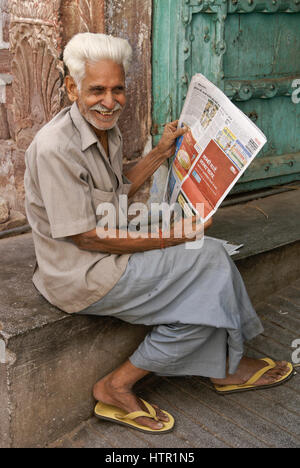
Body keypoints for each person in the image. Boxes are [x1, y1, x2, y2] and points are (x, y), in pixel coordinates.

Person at [24, 33, 294, 434]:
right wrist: (177, 237)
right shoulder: (54, 149)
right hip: (83, 273)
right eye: (97, 89)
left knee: (211, 257)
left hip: (112, 239)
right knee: (206, 266)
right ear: (71, 88)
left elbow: (115, 192)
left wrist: (160, 152)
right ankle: (119, 386)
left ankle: (225, 364)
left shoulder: (104, 128)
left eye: (118, 89)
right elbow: (88, 238)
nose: (110, 101)